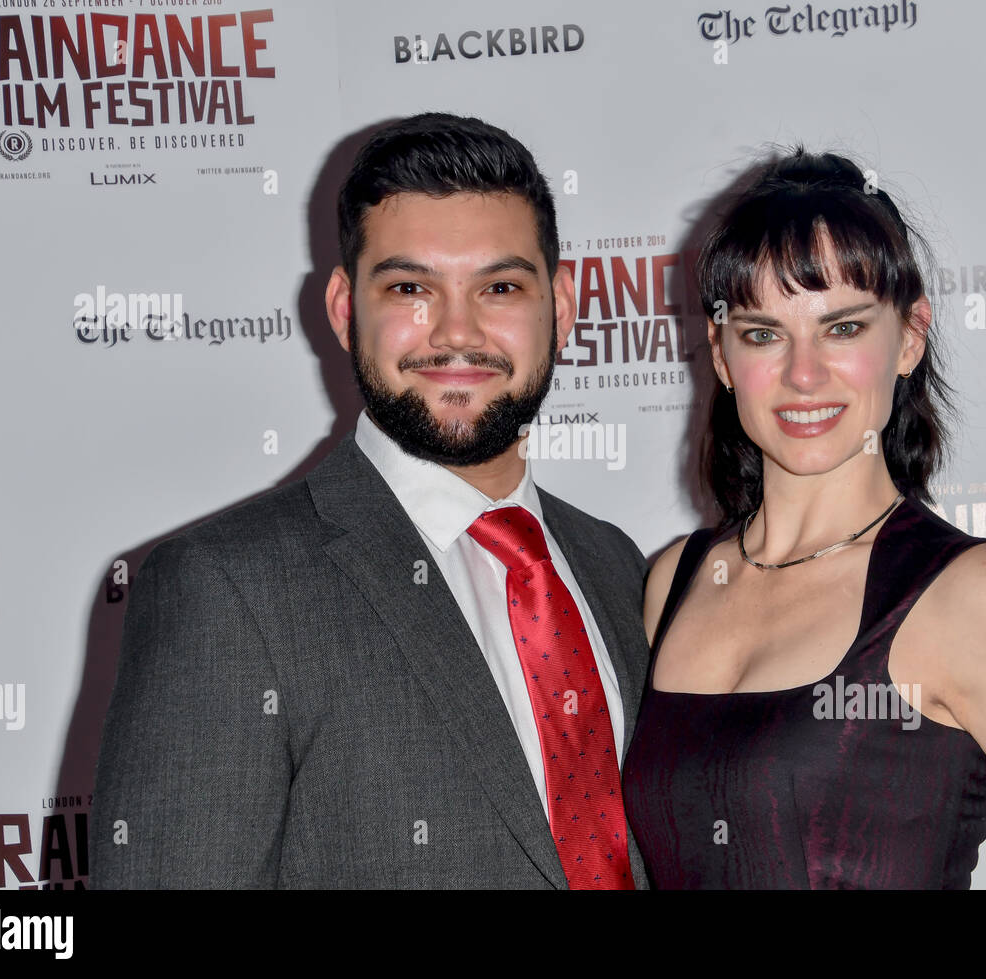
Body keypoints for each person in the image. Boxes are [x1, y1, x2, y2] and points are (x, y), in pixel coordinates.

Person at [89, 112, 651, 888]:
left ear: (562, 302)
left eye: (500, 286)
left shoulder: (616, 564)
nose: (457, 332)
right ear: (345, 307)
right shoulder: (224, 589)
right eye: (412, 287)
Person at [621, 148, 986, 889]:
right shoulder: (674, 580)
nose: (803, 373)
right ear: (724, 356)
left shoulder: (976, 597)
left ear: (911, 335)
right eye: (764, 333)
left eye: (844, 328)